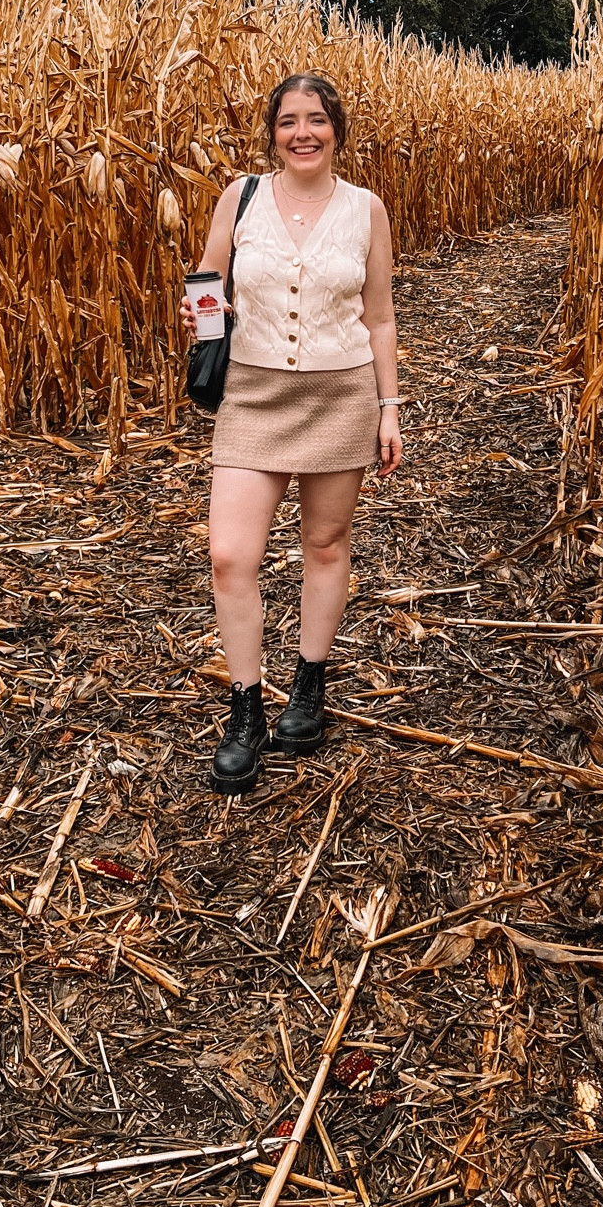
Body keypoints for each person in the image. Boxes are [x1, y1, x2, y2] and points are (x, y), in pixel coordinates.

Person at [180, 73, 403, 794]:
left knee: (324, 545)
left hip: (341, 394)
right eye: (288, 122)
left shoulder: (367, 209)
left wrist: (388, 406)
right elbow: (208, 277)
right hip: (253, 393)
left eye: (316, 120)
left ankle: (309, 683)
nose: (302, 133)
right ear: (271, 132)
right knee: (228, 556)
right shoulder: (240, 197)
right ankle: (245, 707)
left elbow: (380, 318)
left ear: (337, 129)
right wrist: (203, 324)